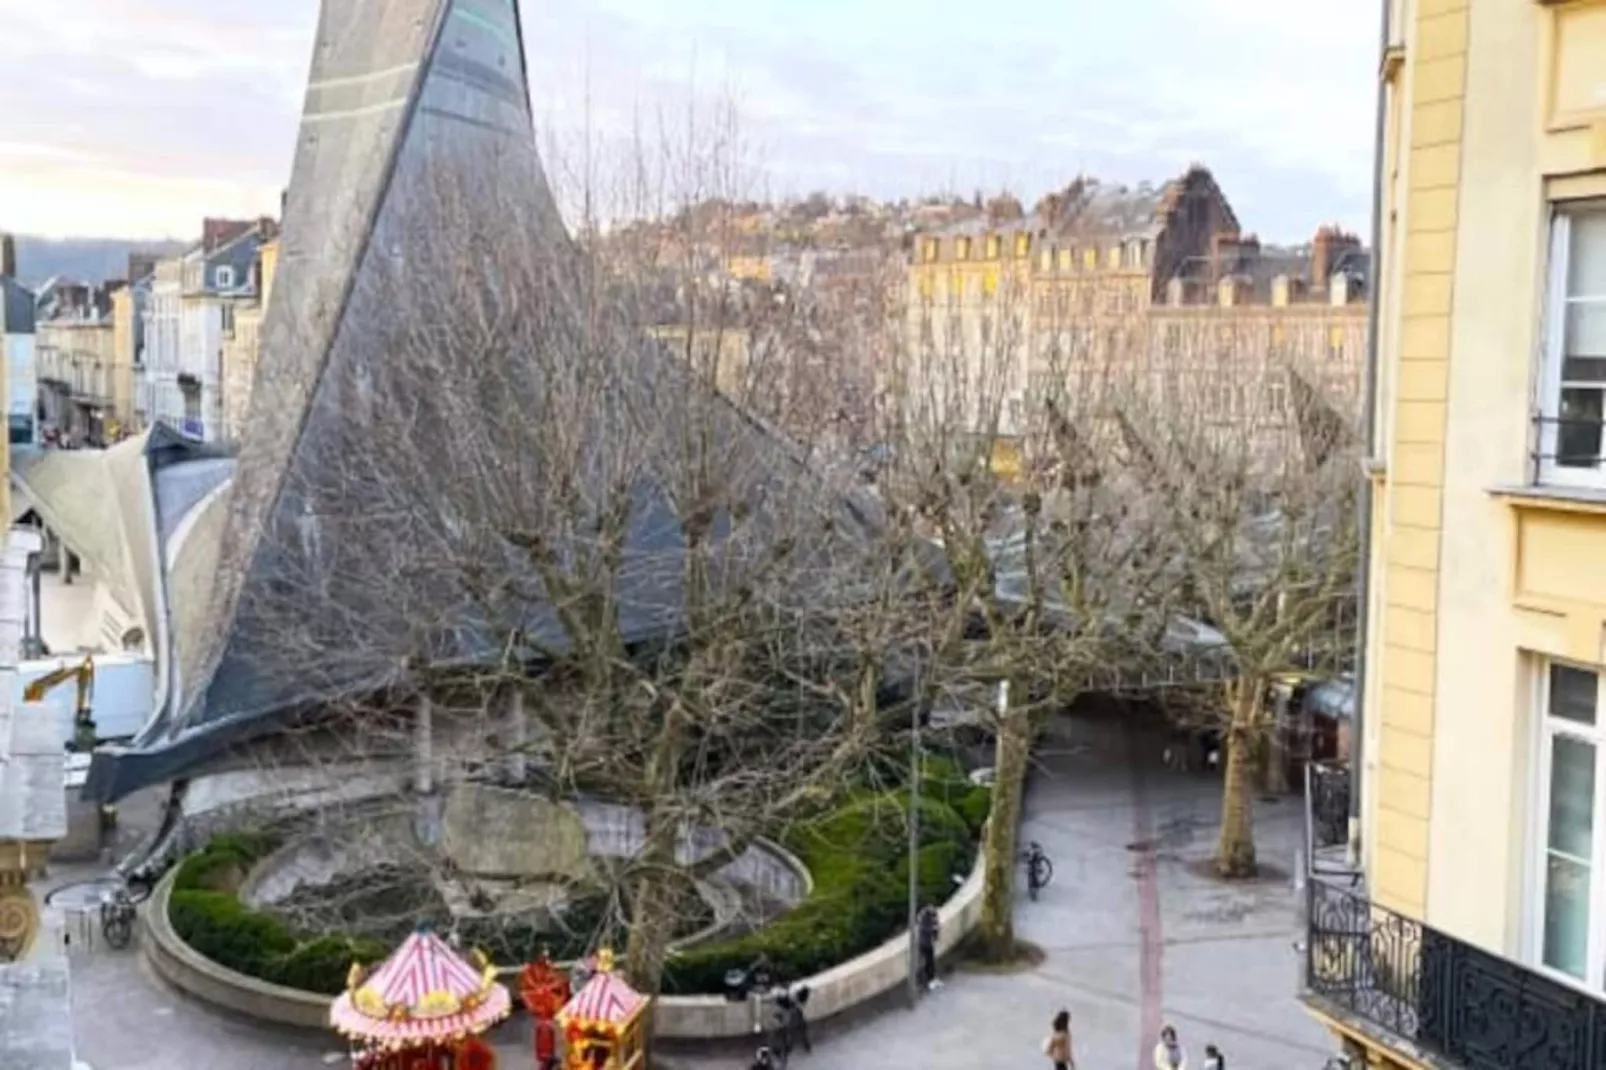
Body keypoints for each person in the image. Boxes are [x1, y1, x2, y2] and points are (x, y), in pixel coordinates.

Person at [916, 903, 941, 990]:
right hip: (923, 943)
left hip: (929, 943)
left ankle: (933, 979)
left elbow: (936, 926)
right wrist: (933, 929)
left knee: (931, 962)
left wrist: (936, 933)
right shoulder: (923, 917)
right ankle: (925, 981)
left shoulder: (932, 916)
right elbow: (924, 929)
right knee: (925, 963)